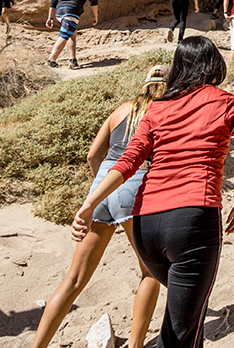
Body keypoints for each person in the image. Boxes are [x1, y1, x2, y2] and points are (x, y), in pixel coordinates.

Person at [72, 37, 234, 348]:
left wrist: (89, 203)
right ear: (214, 65)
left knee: (190, 319)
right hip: (192, 222)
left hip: (146, 228)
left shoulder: (158, 110)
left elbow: (126, 162)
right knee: (179, 334)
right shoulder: (226, 102)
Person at [32, 67, 166, 348]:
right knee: (149, 272)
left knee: (74, 279)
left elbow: (93, 154)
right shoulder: (165, 112)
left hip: (103, 183)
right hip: (136, 183)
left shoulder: (120, 110)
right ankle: (136, 344)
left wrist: (101, 190)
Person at [46, 0, 99, 69]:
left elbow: (53, 0)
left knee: (72, 34)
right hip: (71, 11)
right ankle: (51, 60)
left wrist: (50, 17)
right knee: (64, 34)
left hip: (59, 11)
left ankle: (73, 60)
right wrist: (95, 15)